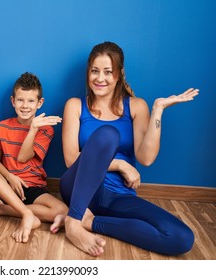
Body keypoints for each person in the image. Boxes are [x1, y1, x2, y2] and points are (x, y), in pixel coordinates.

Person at [60, 41, 198, 257]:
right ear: (88, 72)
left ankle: (89, 221)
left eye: (108, 72)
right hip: (79, 189)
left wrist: (158, 111)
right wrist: (120, 164)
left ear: (119, 74)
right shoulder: (75, 106)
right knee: (108, 135)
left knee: (181, 237)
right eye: (95, 71)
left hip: (118, 196)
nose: (100, 78)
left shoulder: (136, 106)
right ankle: (73, 222)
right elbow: (70, 160)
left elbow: (146, 158)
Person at [0, 72, 68, 243]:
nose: (25, 106)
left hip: (32, 185)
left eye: (31, 101)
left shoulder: (45, 129)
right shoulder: (3, 126)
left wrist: (33, 129)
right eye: (20, 100)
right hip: (5, 184)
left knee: (62, 211)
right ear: (13, 101)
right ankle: (24, 212)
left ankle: (0, 210)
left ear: (39, 103)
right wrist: (9, 177)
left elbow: (23, 157)